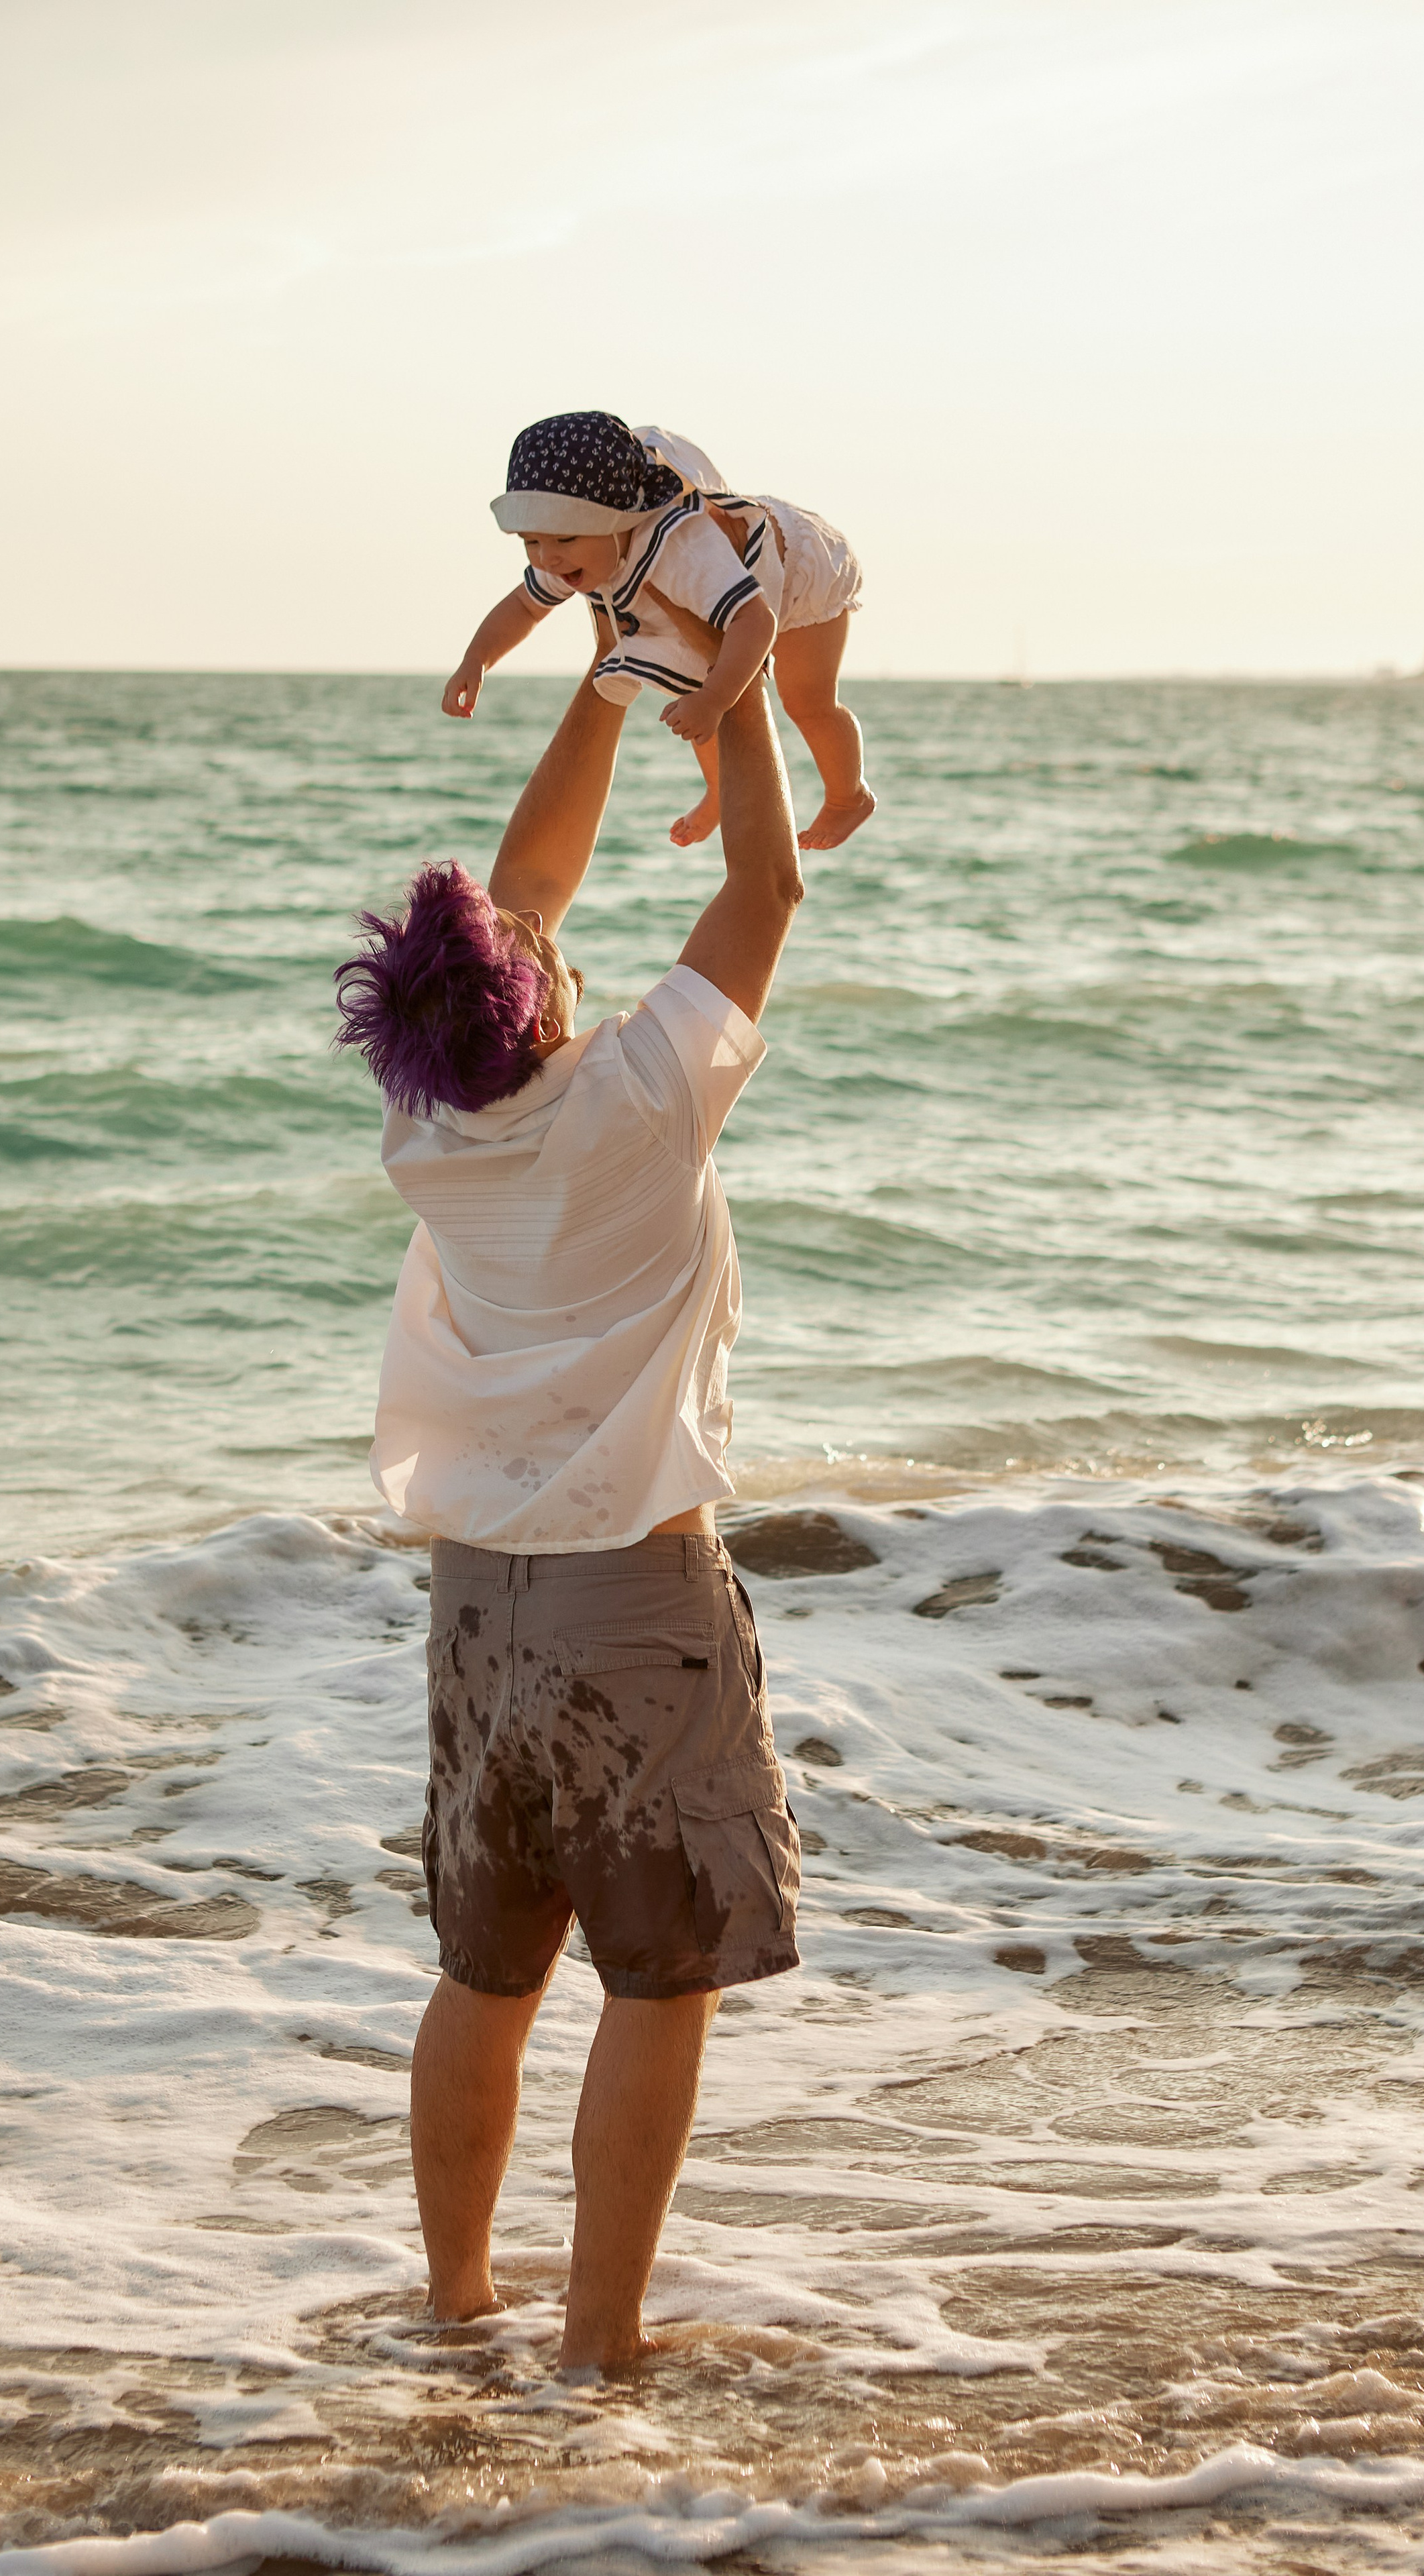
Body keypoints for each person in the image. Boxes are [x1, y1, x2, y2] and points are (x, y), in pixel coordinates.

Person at [333, 626, 806, 2373]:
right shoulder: (639, 1102)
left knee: (487, 1975)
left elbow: (524, 890)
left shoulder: (427, 1132)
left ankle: (457, 2310)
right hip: (634, 1603)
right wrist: (735, 694)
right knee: (654, 1980)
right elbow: (766, 882)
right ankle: (599, 2348)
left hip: (479, 1604)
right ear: (542, 1002)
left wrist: (612, 681)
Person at [442, 411, 875, 854]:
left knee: (806, 702)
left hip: (801, 572)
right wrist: (476, 660)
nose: (547, 558)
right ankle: (720, 790)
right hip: (726, 598)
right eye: (531, 542)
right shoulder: (569, 550)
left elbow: (756, 621)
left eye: (564, 541)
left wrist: (715, 700)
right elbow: (523, 606)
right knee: (687, 681)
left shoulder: (683, 550)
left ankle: (848, 796)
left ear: (618, 520)